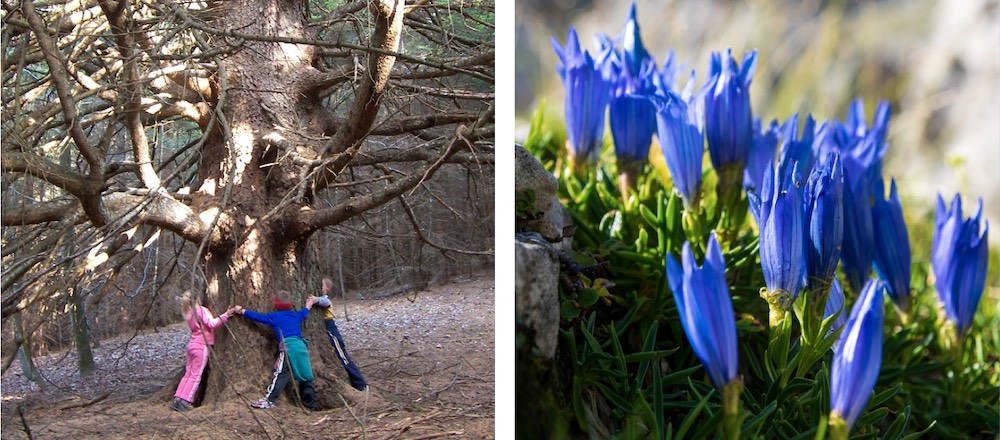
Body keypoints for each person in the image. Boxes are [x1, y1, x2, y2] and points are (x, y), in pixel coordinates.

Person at [233, 291, 319, 410]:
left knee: (281, 373)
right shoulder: (296, 315)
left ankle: (269, 400)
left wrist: (242, 311)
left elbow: (258, 317)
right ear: (291, 304)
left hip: (288, 347)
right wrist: (309, 303)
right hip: (301, 346)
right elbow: (304, 313)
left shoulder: (274, 317)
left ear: (276, 304)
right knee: (305, 376)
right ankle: (311, 405)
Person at [171, 291, 238, 412]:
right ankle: (186, 400)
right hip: (201, 346)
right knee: (195, 375)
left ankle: (178, 398)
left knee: (188, 374)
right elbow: (211, 324)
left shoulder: (188, 313)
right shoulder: (201, 310)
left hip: (191, 346)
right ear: (197, 299)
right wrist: (226, 315)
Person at [307, 277, 368, 391]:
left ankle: (361, 384)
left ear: (327, 288)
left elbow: (325, 302)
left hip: (331, 330)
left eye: (322, 285)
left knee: (343, 358)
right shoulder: (322, 298)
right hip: (327, 330)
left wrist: (315, 300)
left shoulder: (325, 300)